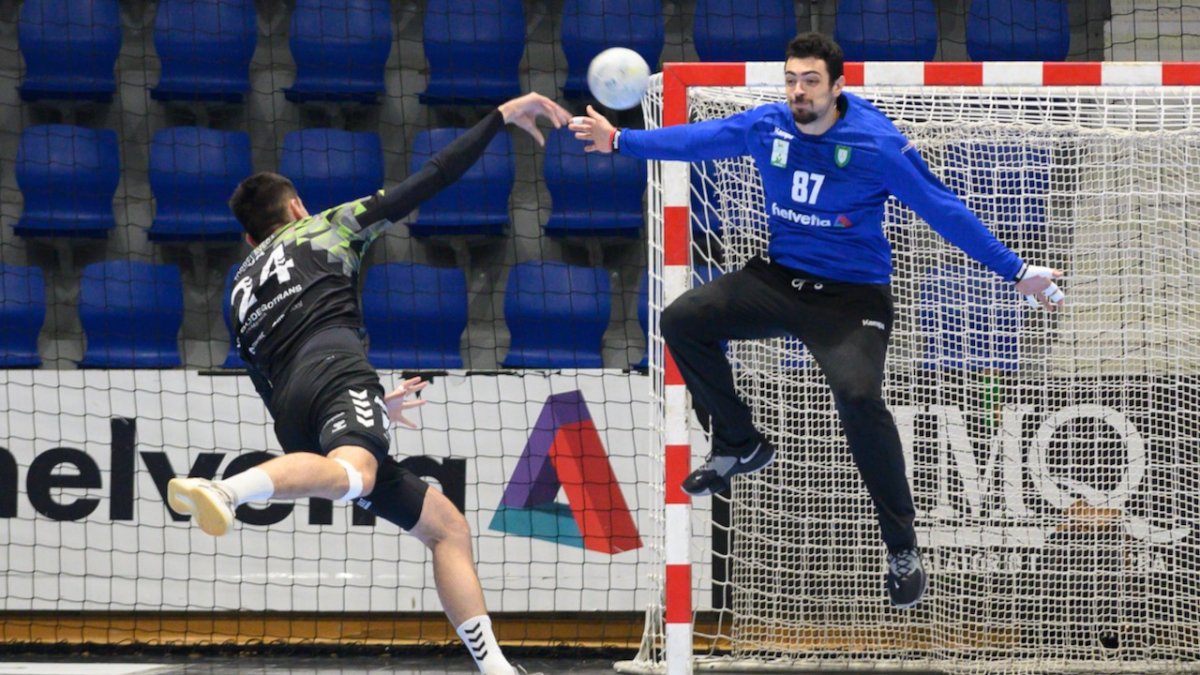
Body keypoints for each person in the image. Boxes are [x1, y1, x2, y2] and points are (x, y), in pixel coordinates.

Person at [569, 32, 1065, 609]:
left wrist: (1016, 270)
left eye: (810, 81)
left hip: (852, 299)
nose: (798, 91)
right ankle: (739, 443)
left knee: (858, 397)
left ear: (837, 86)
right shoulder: (767, 126)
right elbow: (696, 140)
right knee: (682, 319)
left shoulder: (877, 144)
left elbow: (942, 209)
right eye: (791, 79)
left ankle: (902, 546)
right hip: (781, 281)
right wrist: (620, 140)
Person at [166, 92, 572, 675]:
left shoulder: (236, 287)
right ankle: (226, 492)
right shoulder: (331, 226)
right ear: (297, 206)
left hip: (291, 404)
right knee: (356, 472)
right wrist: (500, 117)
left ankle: (498, 670)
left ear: (251, 239)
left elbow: (264, 375)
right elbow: (432, 177)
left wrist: (365, 403)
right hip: (335, 367)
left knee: (445, 527)